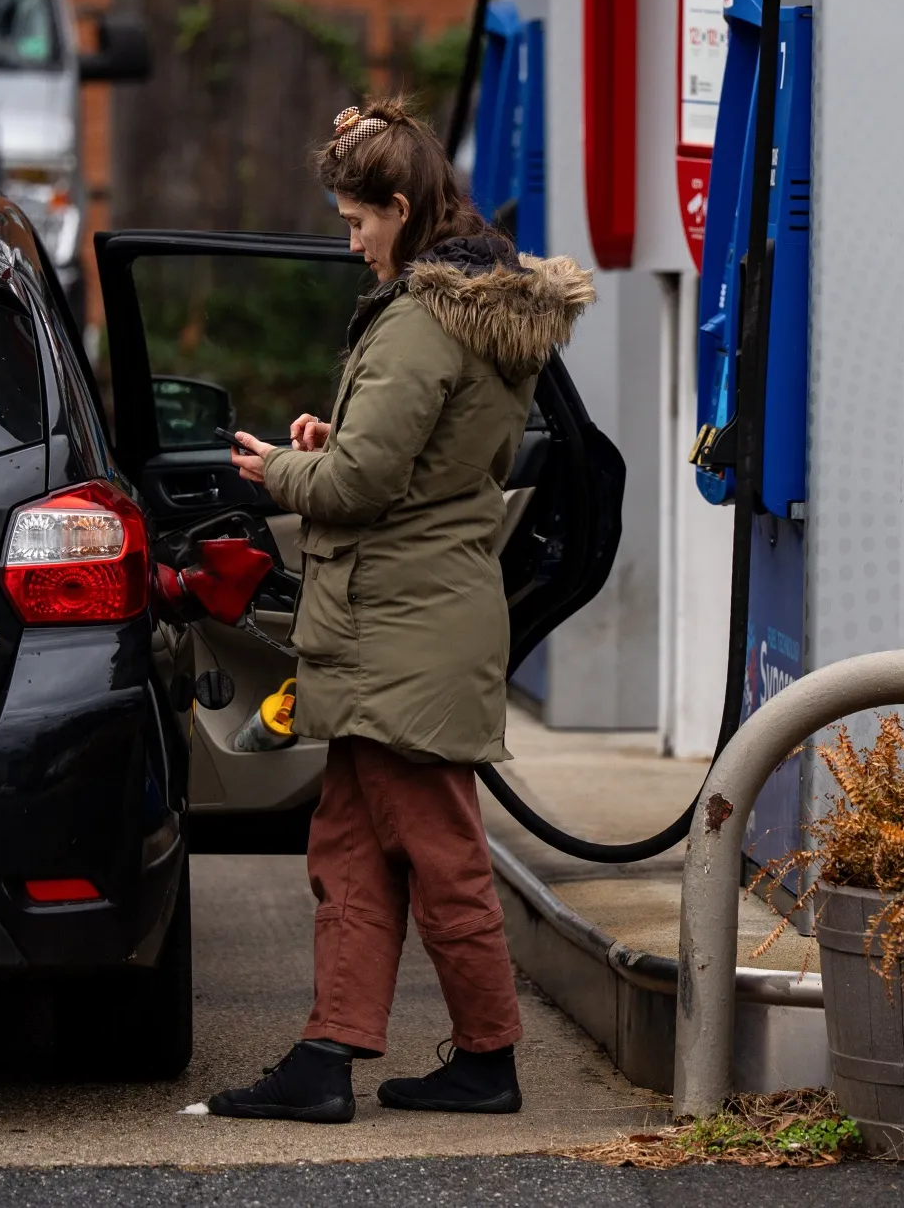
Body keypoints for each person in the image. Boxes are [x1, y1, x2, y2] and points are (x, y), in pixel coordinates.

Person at [202, 99, 593, 1123]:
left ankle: (487, 1054)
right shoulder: (469, 315)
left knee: (440, 851)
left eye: (357, 219)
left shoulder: (420, 321)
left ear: (401, 206)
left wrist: (277, 467)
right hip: (409, 619)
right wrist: (341, 434)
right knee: (350, 847)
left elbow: (358, 489)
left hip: (400, 629)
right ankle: (328, 1054)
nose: (350, 239)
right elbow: (447, 455)